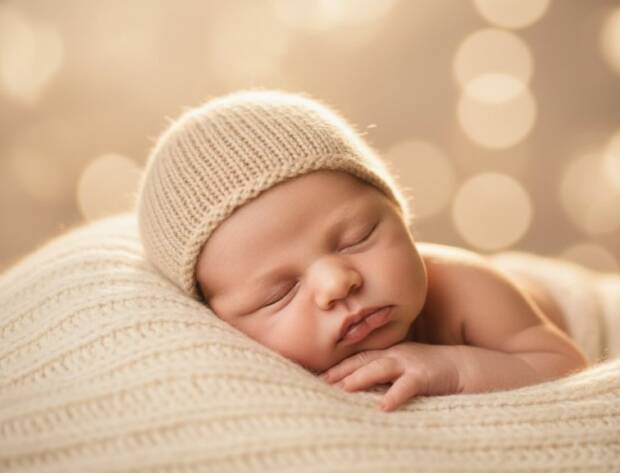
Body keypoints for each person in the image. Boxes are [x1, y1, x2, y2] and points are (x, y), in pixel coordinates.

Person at [136, 90, 588, 412]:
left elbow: (566, 366)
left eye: (358, 237)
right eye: (279, 293)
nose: (337, 282)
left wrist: (451, 366)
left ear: (398, 213)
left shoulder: (465, 289)